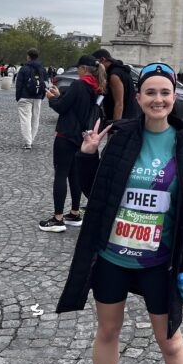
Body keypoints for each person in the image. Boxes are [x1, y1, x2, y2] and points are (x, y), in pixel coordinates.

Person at [56, 62, 183, 364]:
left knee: (171, 342)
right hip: (113, 256)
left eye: (164, 93)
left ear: (175, 97)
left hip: (158, 262)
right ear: (139, 96)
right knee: (107, 332)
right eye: (150, 93)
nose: (157, 99)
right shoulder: (122, 136)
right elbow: (97, 194)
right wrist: (87, 157)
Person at [40, 55, 106, 233]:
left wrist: (51, 98)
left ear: (84, 68)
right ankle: (75, 213)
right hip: (82, 136)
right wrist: (60, 95)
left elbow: (62, 107)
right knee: (75, 174)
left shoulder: (78, 85)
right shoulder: (97, 88)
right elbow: (78, 105)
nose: (77, 70)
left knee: (61, 174)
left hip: (66, 134)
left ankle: (58, 218)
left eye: (78, 68)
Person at [92, 48, 138, 124]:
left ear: (102, 59)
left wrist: (115, 126)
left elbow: (119, 104)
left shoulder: (114, 75)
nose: (95, 68)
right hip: (129, 118)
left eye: (96, 64)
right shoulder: (121, 70)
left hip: (122, 122)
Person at [15, 48, 46, 150]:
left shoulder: (24, 68)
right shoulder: (42, 68)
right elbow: (44, 82)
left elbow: (19, 84)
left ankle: (28, 142)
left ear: (28, 56)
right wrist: (42, 95)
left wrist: (18, 97)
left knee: (25, 119)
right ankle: (31, 139)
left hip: (25, 96)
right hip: (38, 96)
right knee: (35, 119)